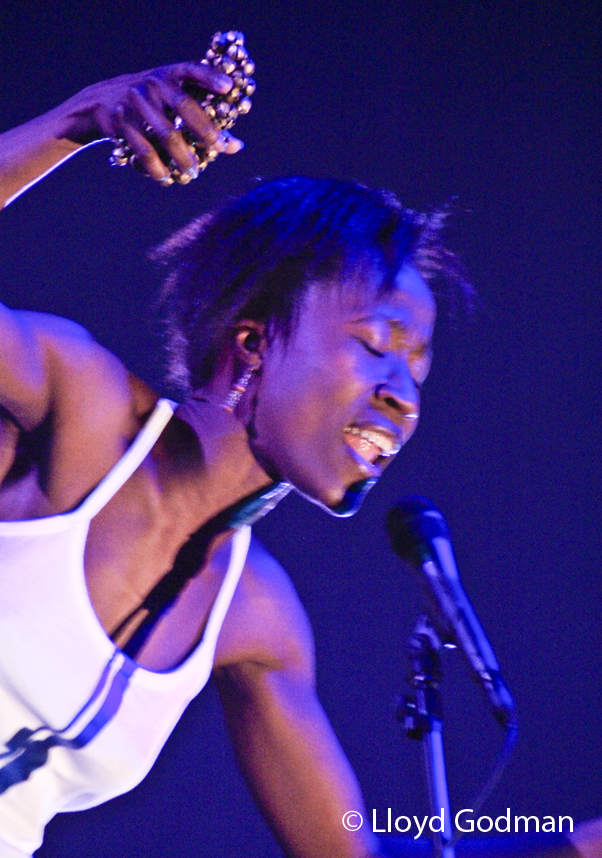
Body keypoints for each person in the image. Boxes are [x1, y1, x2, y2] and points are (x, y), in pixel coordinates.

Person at [0, 60, 594, 858]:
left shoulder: (255, 617)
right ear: (253, 341)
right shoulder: (81, 408)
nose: (404, 396)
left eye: (418, 369)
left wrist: (577, 848)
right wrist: (77, 118)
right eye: (378, 346)